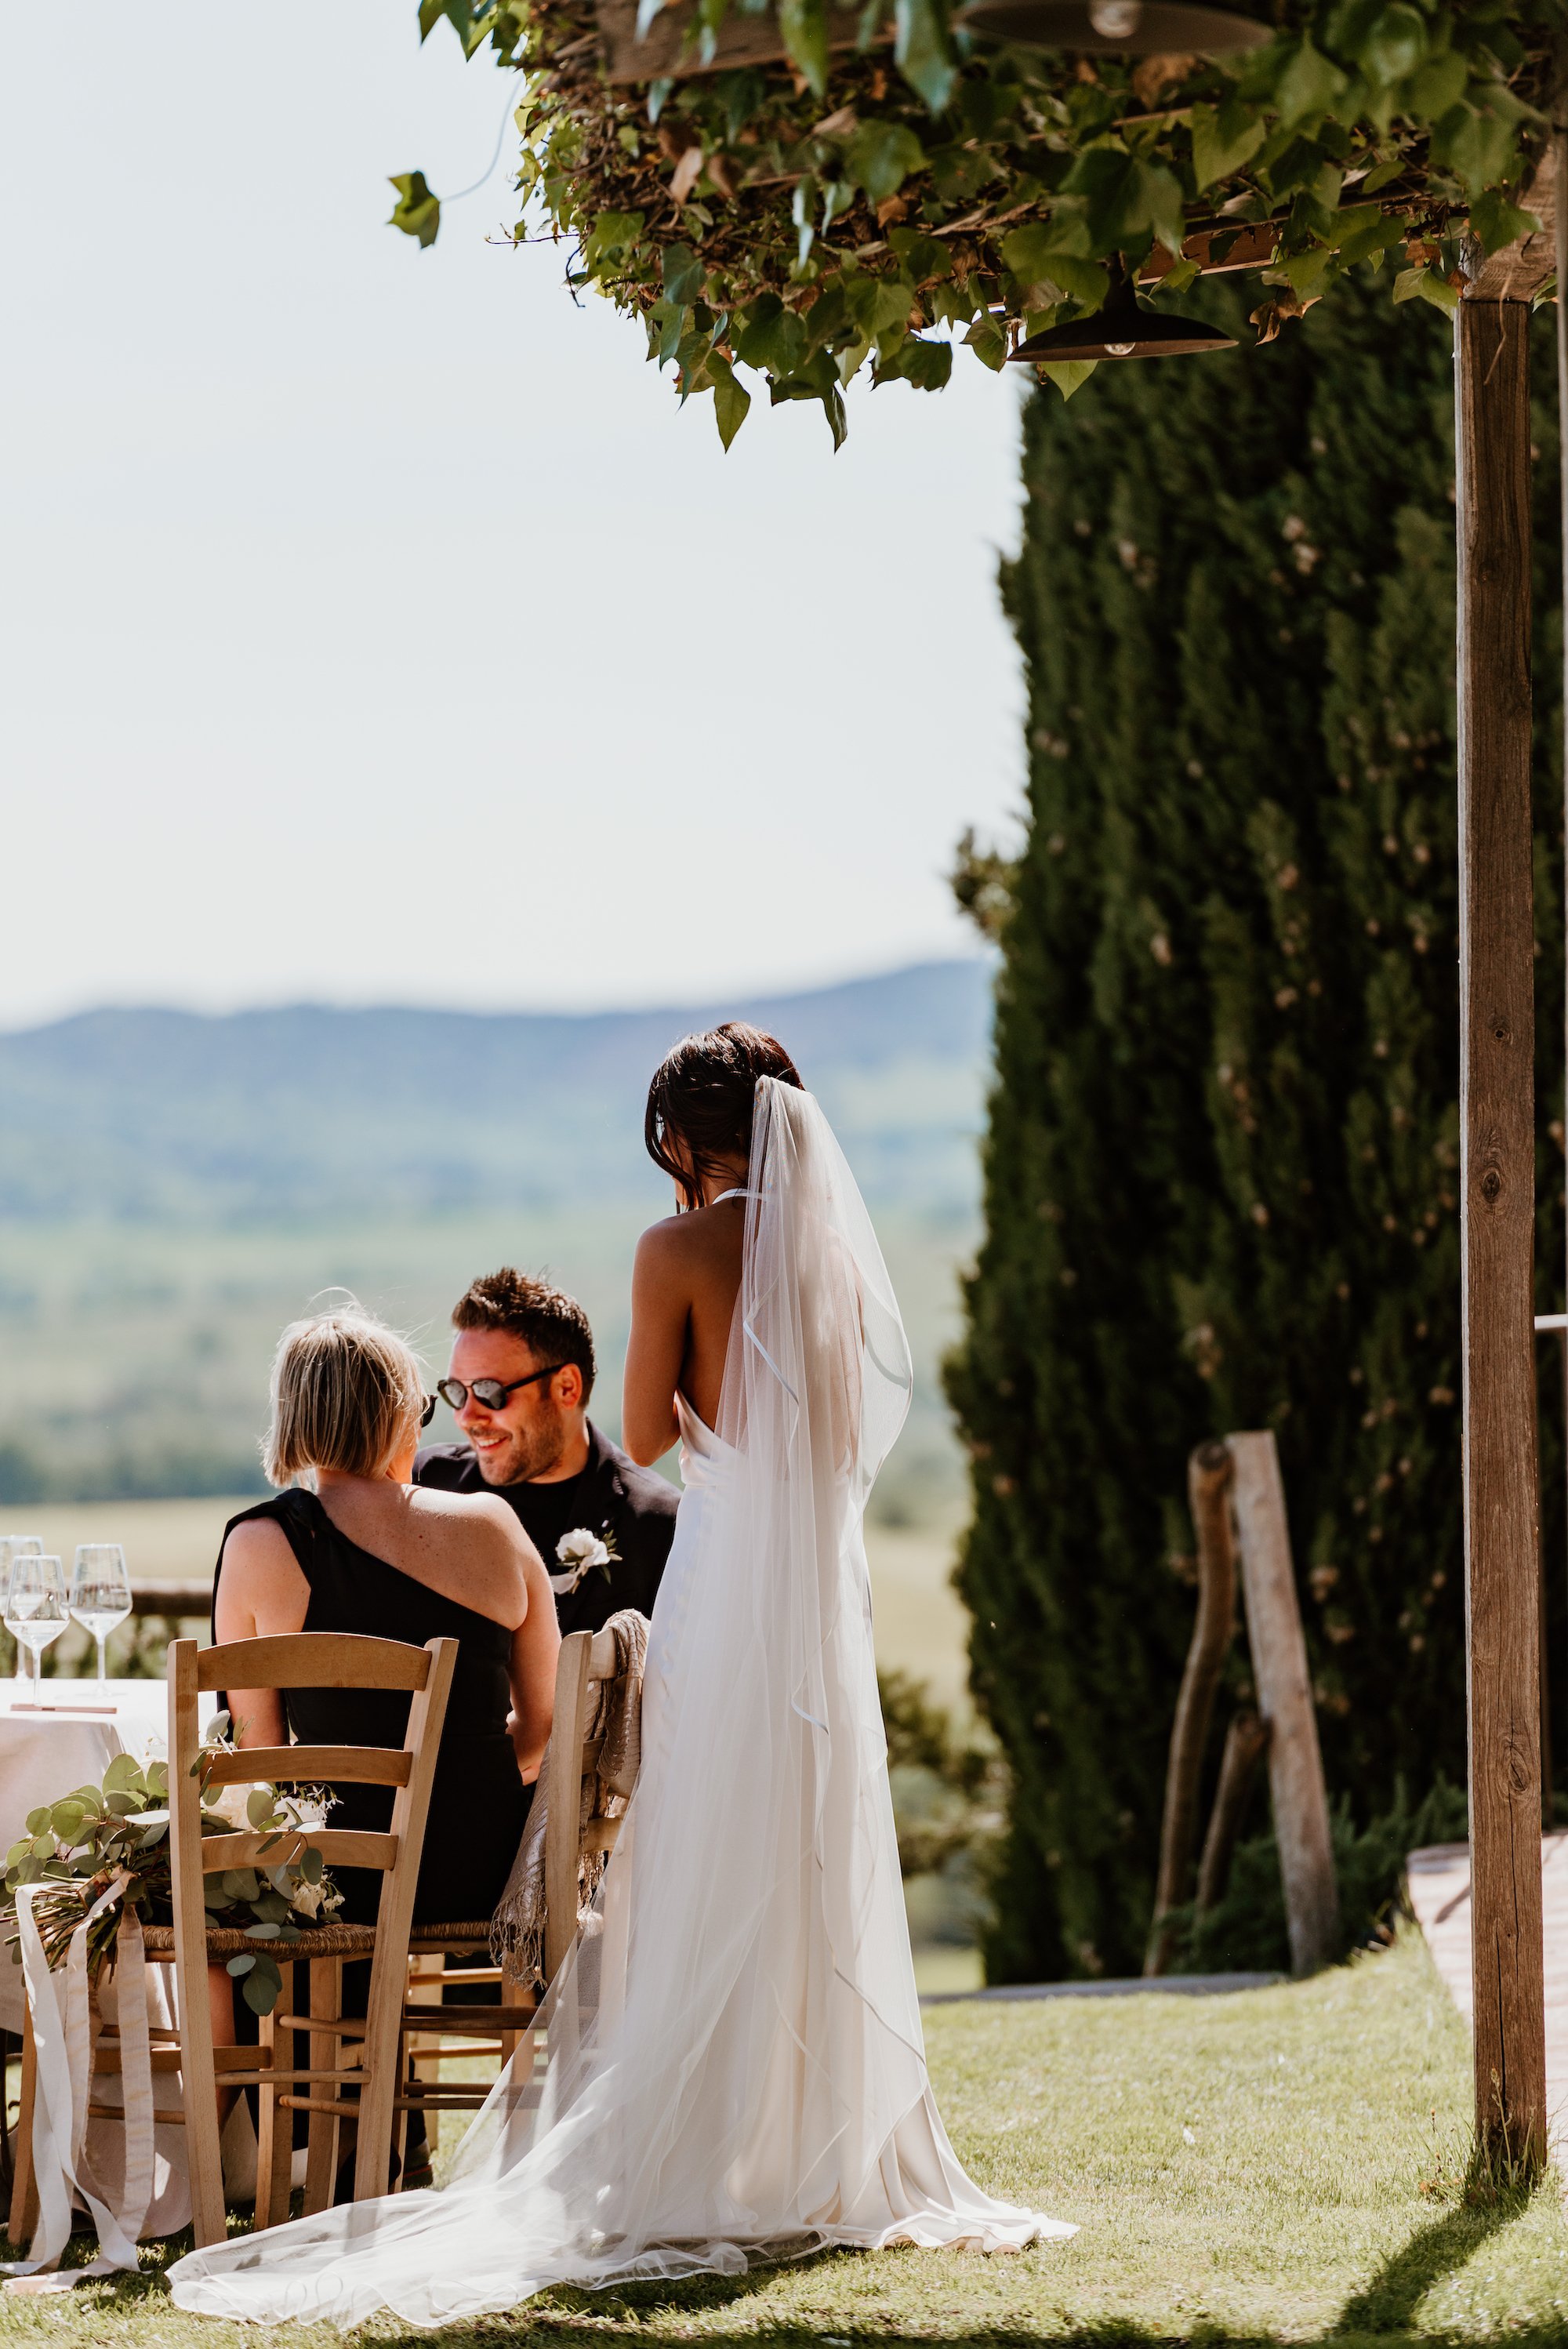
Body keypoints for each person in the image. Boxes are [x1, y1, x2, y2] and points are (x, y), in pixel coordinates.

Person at [169, 1031, 1073, 2325]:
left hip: (728, 1561)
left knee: (703, 1840)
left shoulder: (679, 1249)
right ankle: (818, 2149)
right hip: (820, 1578)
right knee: (814, 1842)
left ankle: (694, 2146)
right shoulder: (837, 1253)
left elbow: (644, 1430)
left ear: (684, 1140)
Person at [211, 1305, 559, 1930]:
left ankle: (254, 2033)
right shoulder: (495, 1528)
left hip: (337, 1887)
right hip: (488, 1877)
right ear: (398, 1416)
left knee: (194, 1887)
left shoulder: (260, 1546)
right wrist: (453, 1799)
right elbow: (546, 1722)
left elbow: (256, 1763)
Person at [413, 1270, 677, 1638]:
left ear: (566, 1388)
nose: (466, 1417)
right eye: (456, 1391)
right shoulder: (425, 1486)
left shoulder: (661, 1523)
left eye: (490, 1392)